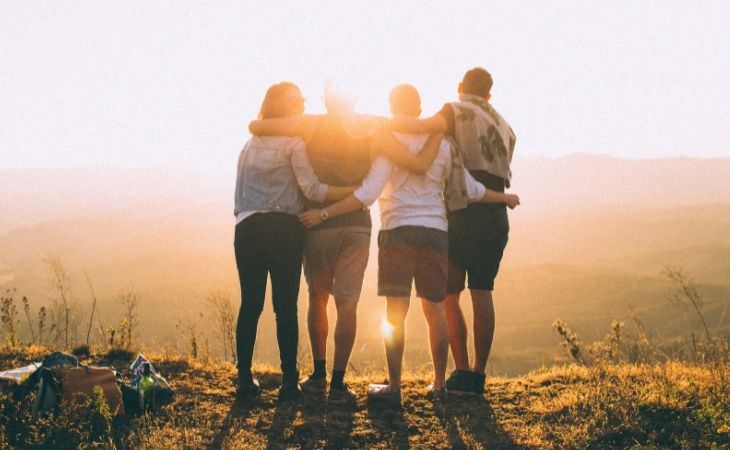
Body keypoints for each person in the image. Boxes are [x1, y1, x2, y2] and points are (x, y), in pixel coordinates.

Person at [298, 84, 519, 402]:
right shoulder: (442, 143)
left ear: (392, 106)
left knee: (395, 313)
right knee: (436, 310)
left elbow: (369, 192)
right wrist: (503, 197)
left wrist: (325, 213)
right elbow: (469, 189)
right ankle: (440, 385)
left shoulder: (387, 141)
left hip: (397, 231)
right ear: (419, 108)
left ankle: (394, 387)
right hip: (435, 232)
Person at [248, 87, 442, 403]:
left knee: (317, 297)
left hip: (318, 224)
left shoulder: (310, 124)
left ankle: (318, 374)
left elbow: (259, 127)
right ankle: (338, 384)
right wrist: (439, 126)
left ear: (326, 100)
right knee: (347, 303)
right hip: (357, 225)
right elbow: (416, 137)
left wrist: (257, 125)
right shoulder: (373, 126)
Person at [391, 67, 517, 396]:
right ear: (489, 94)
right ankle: (478, 374)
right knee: (483, 292)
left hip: (462, 212)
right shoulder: (506, 126)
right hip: (495, 214)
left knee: (449, 295)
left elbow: (422, 127)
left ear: (461, 86)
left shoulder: (454, 110)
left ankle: (459, 372)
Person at [233, 82, 355, 401]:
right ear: (284, 106)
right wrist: (351, 192)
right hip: (284, 229)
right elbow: (312, 190)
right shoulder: (294, 142)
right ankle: (289, 382)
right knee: (285, 307)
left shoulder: (250, 144)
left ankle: (244, 379)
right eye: (297, 100)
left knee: (250, 304)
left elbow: (240, 194)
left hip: (247, 228)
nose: (302, 103)